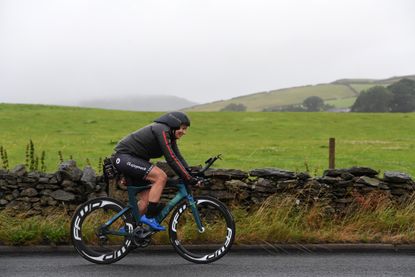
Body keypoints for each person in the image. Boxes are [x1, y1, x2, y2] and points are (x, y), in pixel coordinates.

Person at [113, 111, 199, 231]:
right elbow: (171, 159)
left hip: (132, 159)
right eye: (183, 128)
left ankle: (128, 230)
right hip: (124, 158)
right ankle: (149, 217)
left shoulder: (170, 135)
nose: (184, 132)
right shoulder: (162, 130)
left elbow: (178, 157)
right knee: (160, 177)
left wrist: (190, 172)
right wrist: (188, 178)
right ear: (174, 124)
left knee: (145, 201)